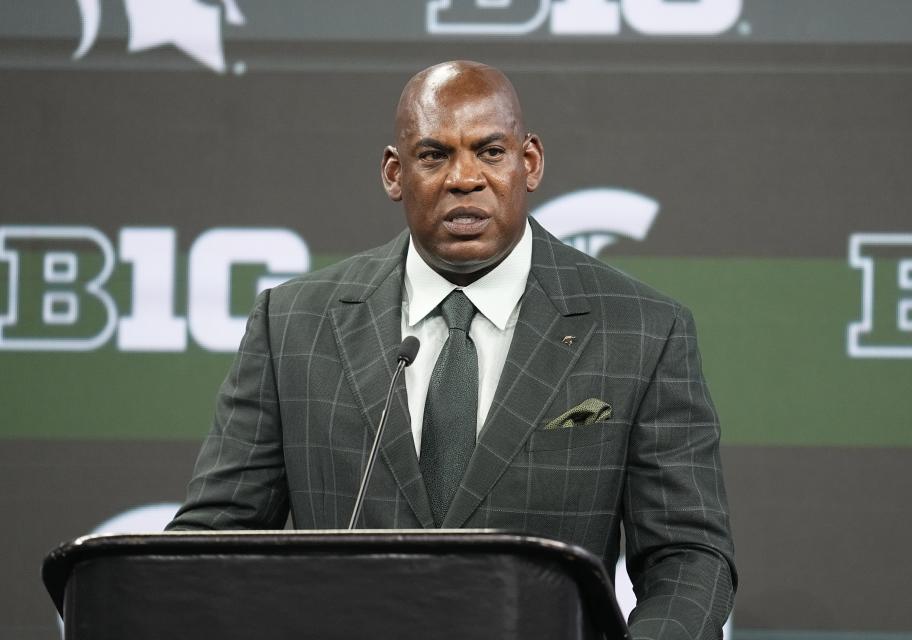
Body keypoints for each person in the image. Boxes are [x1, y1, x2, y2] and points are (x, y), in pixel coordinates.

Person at [168, 60, 736, 639]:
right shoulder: (293, 323)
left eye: (490, 151)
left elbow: (688, 558)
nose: (464, 178)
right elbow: (214, 538)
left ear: (529, 162)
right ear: (394, 173)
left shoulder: (640, 329)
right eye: (434, 154)